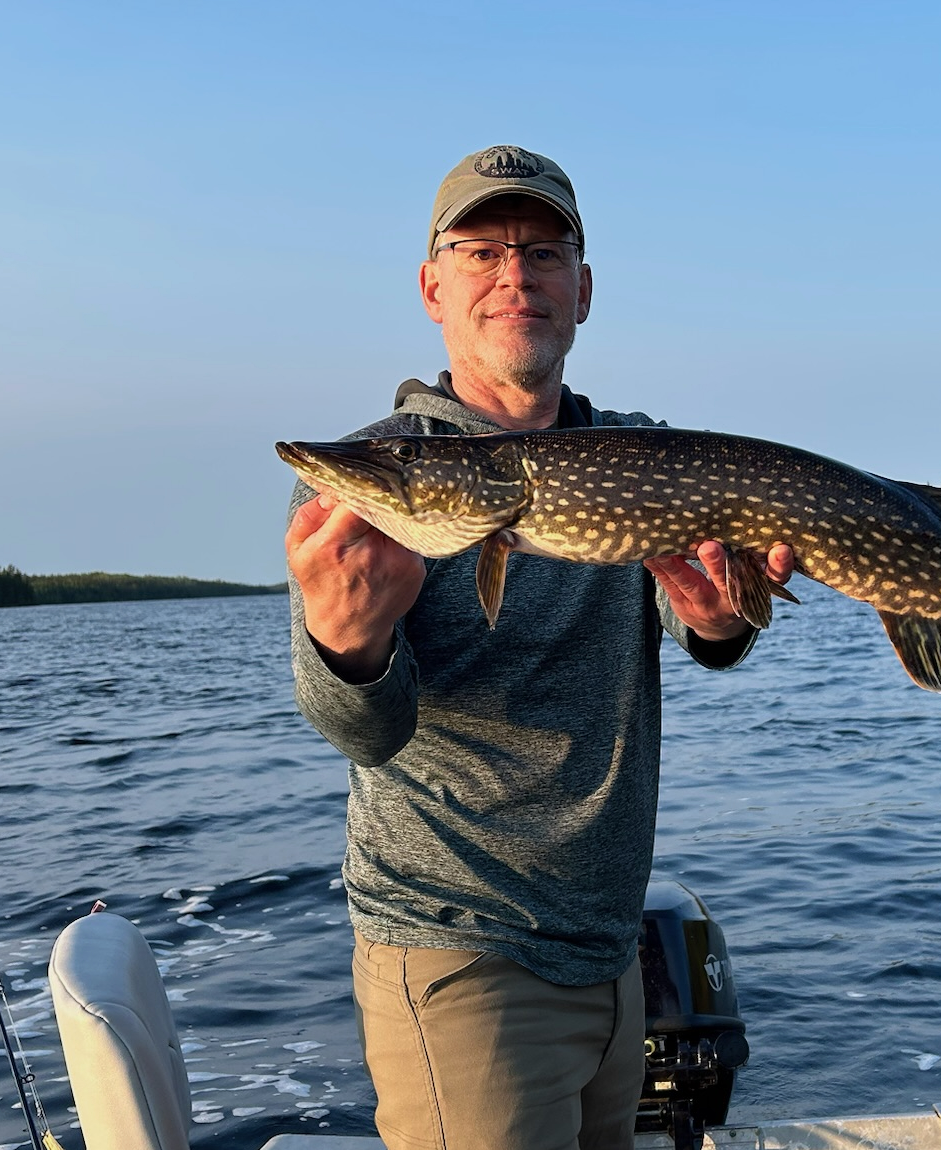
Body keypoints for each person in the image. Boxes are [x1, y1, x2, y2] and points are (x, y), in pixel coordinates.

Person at [283, 145, 794, 1150]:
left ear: (583, 290)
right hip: (460, 955)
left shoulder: (645, 454)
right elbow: (361, 727)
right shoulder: (376, 481)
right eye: (479, 250)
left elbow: (712, 630)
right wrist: (348, 644)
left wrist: (721, 618)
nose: (513, 275)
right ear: (433, 287)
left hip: (609, 953)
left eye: (542, 252)